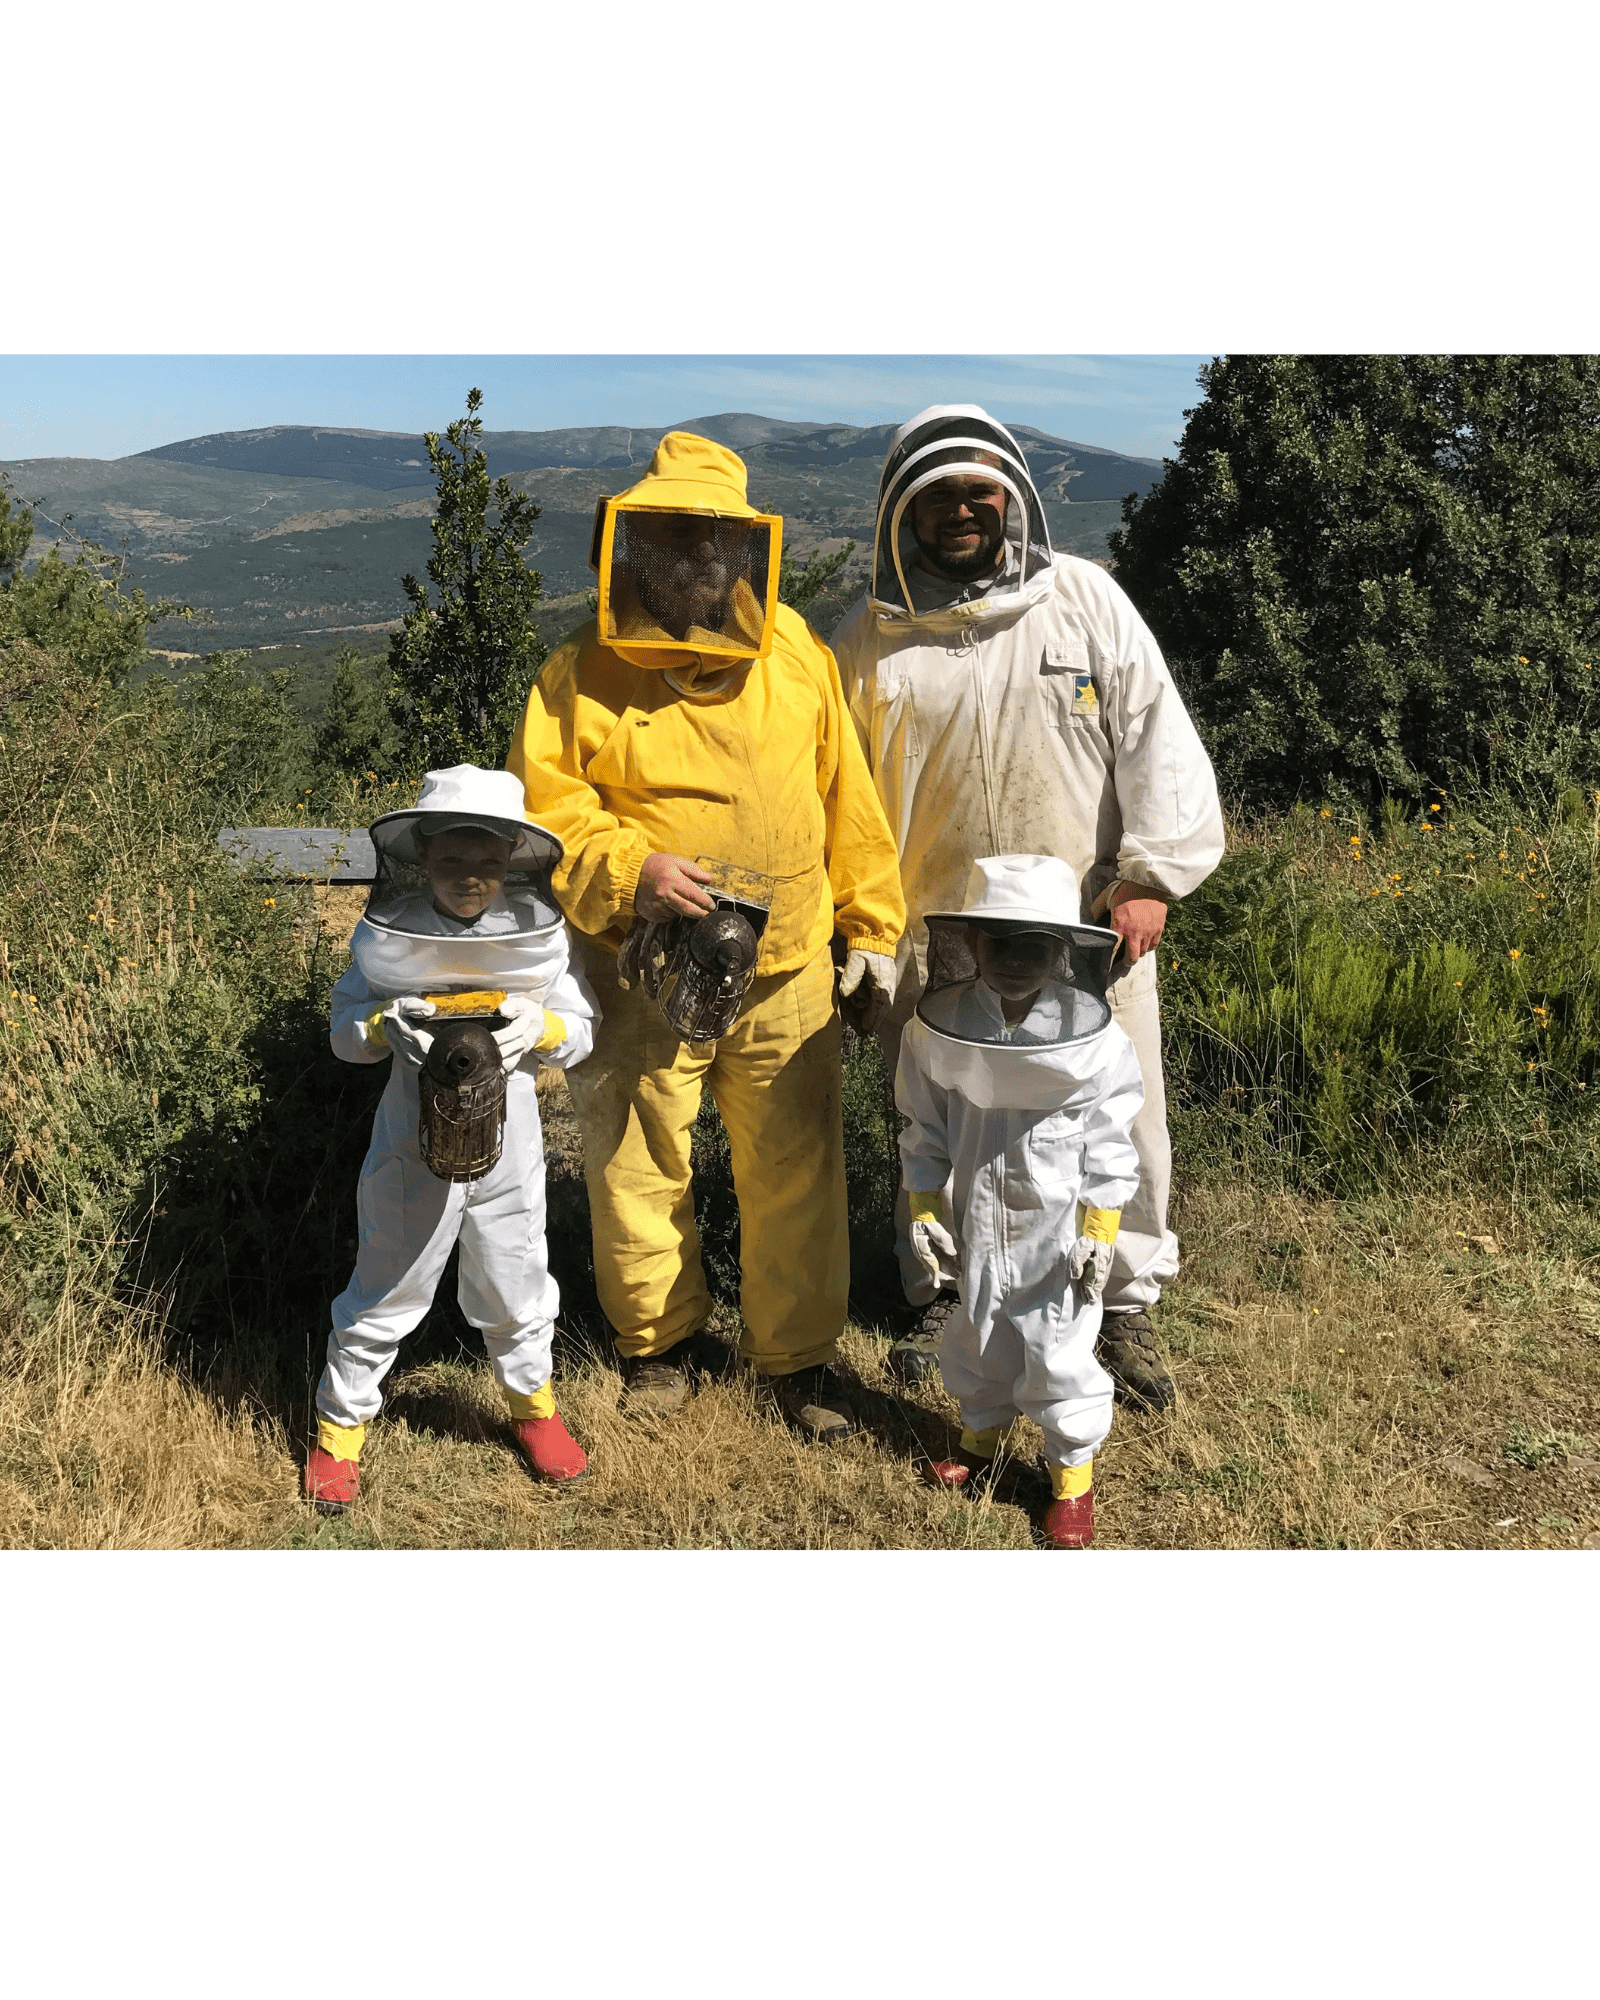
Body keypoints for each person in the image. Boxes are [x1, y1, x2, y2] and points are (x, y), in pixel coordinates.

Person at [508, 431, 905, 1442]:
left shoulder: (797, 655)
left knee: (798, 1165)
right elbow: (545, 813)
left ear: (744, 551)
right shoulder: (577, 675)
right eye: (673, 535)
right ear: (631, 548)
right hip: (644, 968)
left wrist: (871, 926)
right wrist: (628, 868)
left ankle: (798, 1359)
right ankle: (659, 1343)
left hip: (787, 971)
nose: (694, 557)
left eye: (712, 538)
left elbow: (845, 801)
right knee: (636, 1159)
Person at [832, 405, 1224, 1406]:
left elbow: (1155, 737)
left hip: (1088, 932)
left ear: (1009, 494)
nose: (960, 511)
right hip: (931, 935)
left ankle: (1120, 1302)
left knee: (1118, 1117)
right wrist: (855, 929)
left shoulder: (1082, 600)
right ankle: (945, 1295)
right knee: (940, 1122)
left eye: (977, 491)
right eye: (936, 496)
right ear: (900, 509)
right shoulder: (866, 641)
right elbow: (831, 795)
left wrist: (1147, 876)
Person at [303, 765, 599, 1515]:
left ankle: (535, 1413)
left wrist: (549, 1026)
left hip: (515, 1131)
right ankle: (339, 1434)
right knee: (388, 1280)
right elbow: (343, 1031)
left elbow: (583, 1029)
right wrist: (379, 1025)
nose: (472, 878)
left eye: (489, 863)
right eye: (454, 861)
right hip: (410, 1134)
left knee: (516, 1275)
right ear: (424, 855)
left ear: (511, 861)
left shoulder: (532, 937)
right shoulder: (393, 938)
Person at [896, 854, 1143, 1549]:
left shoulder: (1093, 1037)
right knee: (979, 1327)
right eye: (998, 942)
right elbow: (923, 1126)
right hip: (976, 1212)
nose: (1013, 959)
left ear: (1062, 950)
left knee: (1058, 1346)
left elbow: (1112, 1140)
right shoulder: (937, 1028)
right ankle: (980, 1439)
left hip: (1059, 1227)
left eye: (1034, 943)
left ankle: (1071, 1481)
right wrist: (921, 1209)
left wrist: (1101, 1227)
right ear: (969, 944)